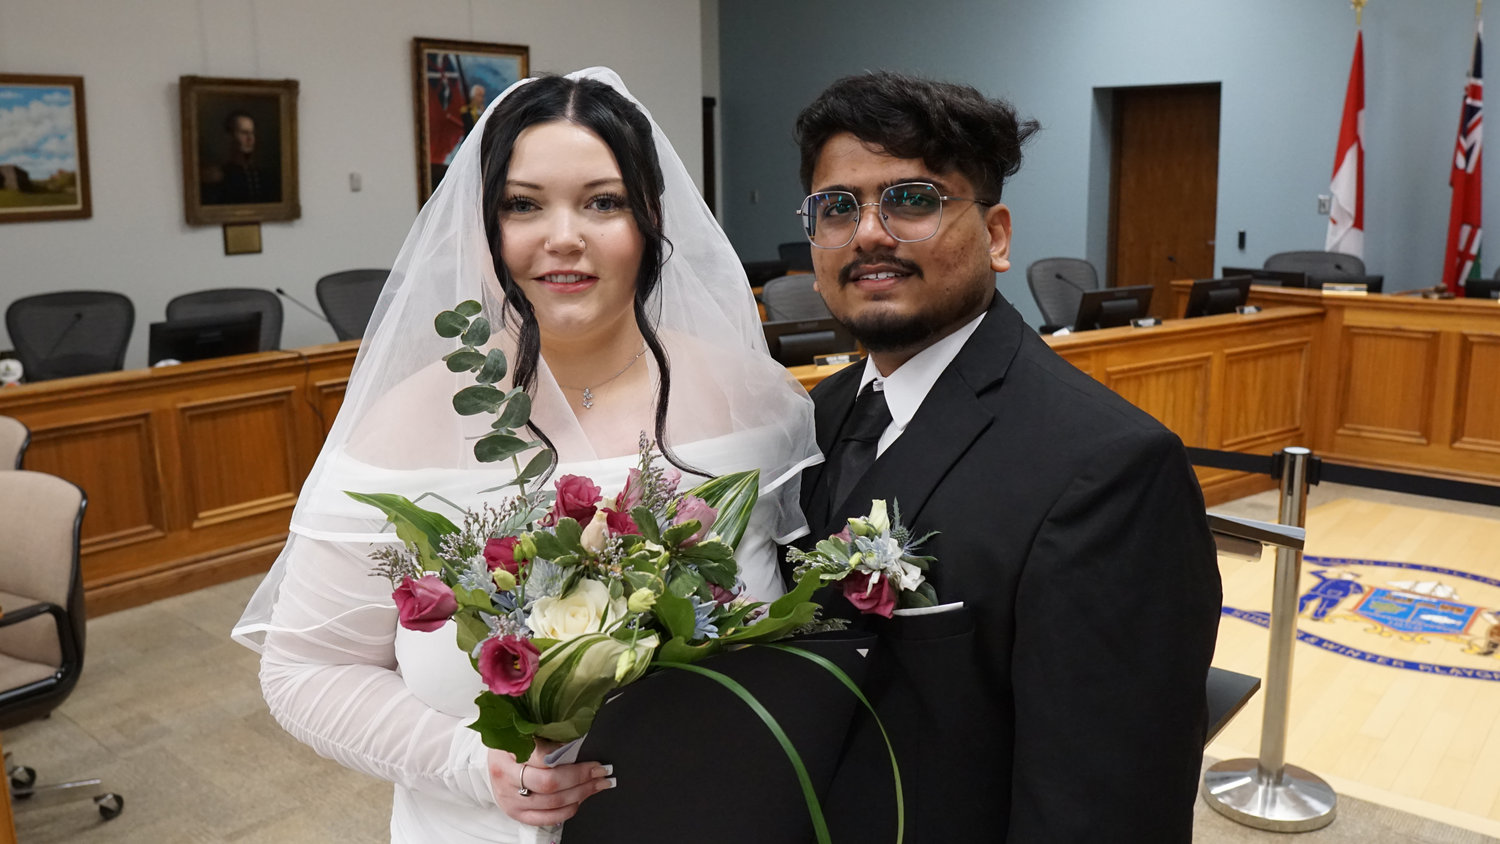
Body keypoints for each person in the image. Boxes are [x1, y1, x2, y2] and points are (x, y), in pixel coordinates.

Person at [232, 68, 819, 843]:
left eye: (603, 202)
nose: (564, 236)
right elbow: (303, 670)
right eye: (524, 204)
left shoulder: (755, 404)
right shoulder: (403, 430)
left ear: (649, 217)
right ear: (484, 226)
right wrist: (474, 763)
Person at [791, 71, 1223, 843]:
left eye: (913, 200)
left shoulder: (1110, 470)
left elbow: (1106, 807)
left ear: (995, 237)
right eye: (837, 207)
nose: (868, 235)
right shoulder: (813, 419)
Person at [201, 110, 280, 205]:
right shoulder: (217, 177)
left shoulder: (266, 176)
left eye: (252, 133)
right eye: (244, 133)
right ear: (229, 137)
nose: (250, 138)